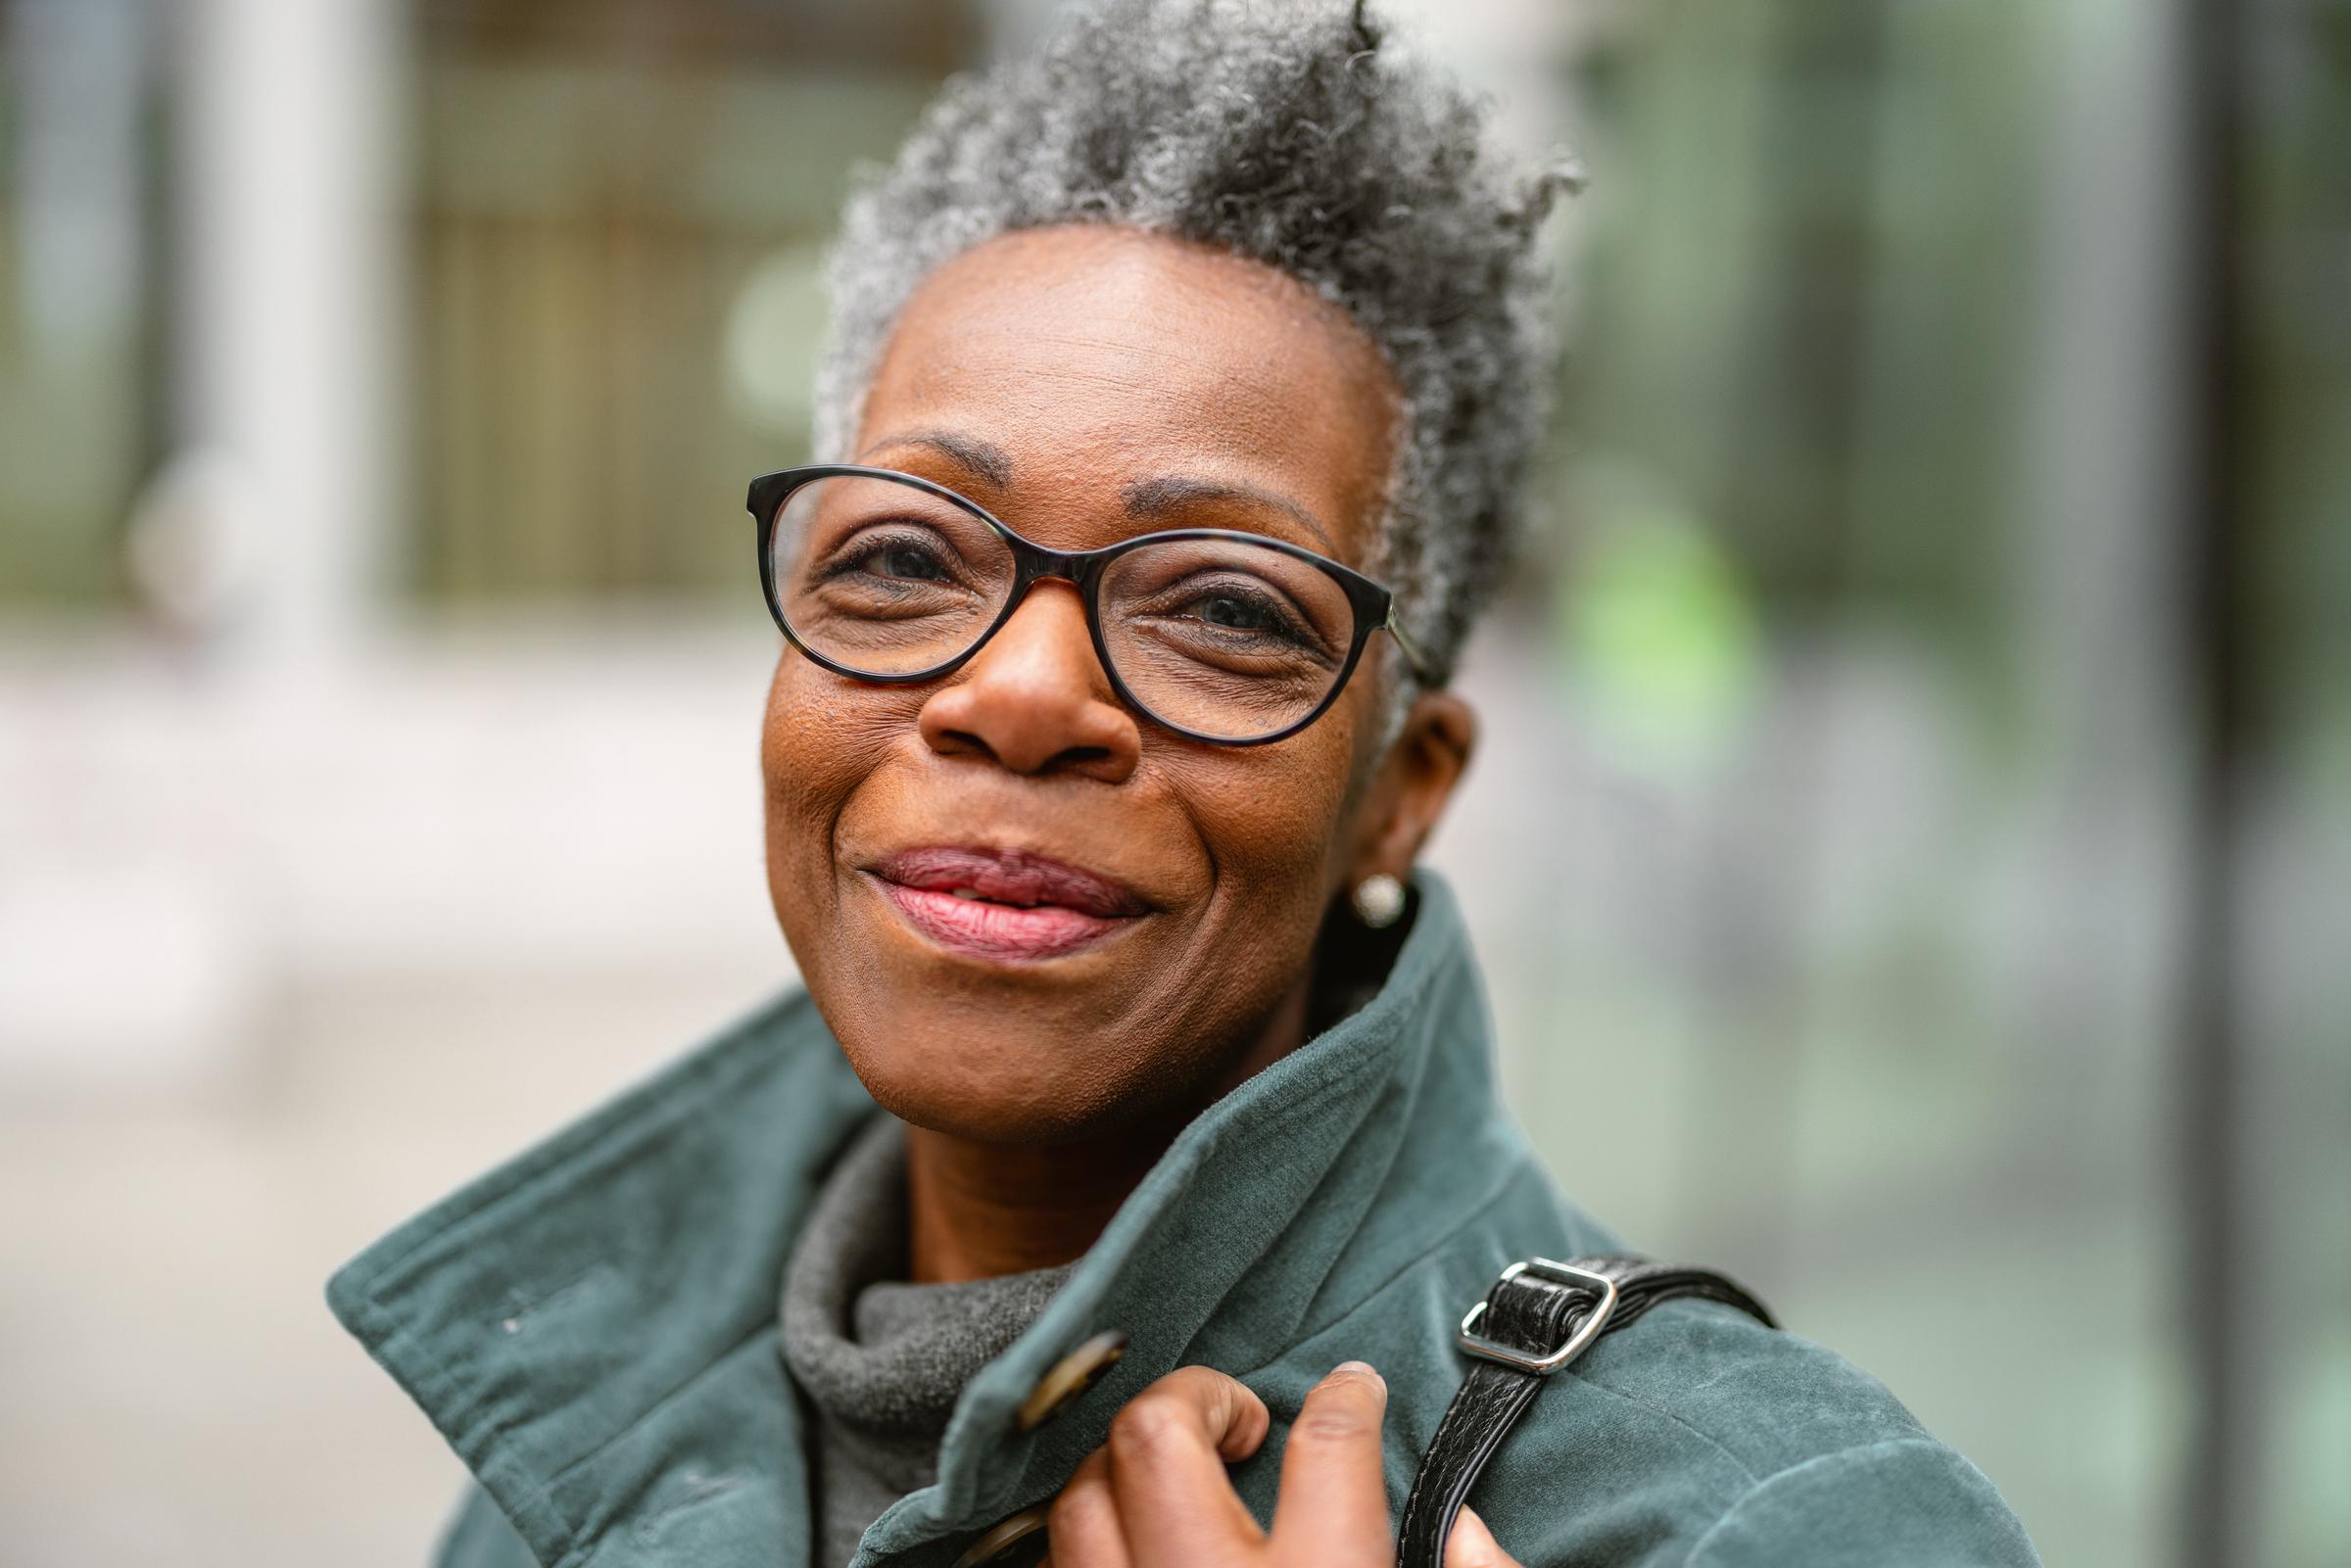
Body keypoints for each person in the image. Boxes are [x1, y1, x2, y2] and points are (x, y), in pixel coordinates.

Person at [327, 4, 2043, 1565]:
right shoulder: (586, 1439)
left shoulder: (1782, 1521)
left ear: (1403, 786)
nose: (1015, 692)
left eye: (1226, 607)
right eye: (904, 559)